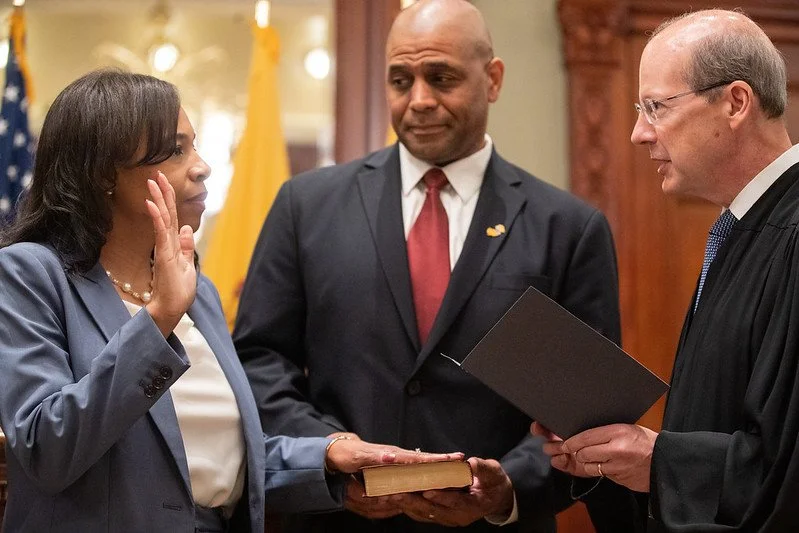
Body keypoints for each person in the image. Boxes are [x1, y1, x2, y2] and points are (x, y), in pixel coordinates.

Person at [233, 1, 638, 531]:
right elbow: (260, 363)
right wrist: (328, 451)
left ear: (492, 79)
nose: (419, 100)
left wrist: (507, 487)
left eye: (441, 78)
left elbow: (587, 414)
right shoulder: (305, 206)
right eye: (401, 80)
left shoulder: (567, 226)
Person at [0, 69, 456, 533]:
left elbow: (219, 464)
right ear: (103, 175)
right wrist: (158, 318)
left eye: (194, 145)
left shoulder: (200, 291)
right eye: (177, 149)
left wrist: (328, 458)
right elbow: (46, 448)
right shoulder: (30, 274)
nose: (202, 165)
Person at [536, 8, 799, 532]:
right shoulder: (741, 229)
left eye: (656, 107)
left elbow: (787, 475)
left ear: (735, 103)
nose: (639, 133)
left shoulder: (791, 234)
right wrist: (614, 461)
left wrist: (658, 462)